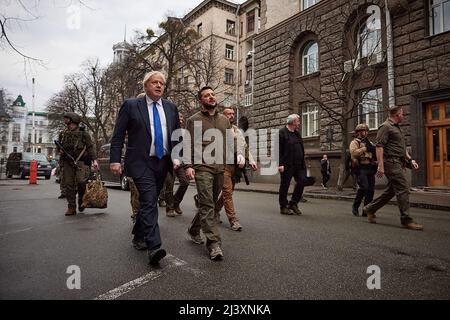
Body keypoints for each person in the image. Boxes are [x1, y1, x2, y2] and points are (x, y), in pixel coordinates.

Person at [110, 71, 181, 266]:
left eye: (162, 83)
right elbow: (117, 135)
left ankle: (138, 235)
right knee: (150, 201)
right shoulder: (132, 105)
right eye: (154, 82)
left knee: (149, 202)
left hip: (162, 162)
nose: (159, 85)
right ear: (145, 86)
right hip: (140, 162)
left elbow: (176, 136)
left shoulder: (171, 108)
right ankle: (154, 247)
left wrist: (177, 157)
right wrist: (115, 160)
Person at [185, 86, 243, 260]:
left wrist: (236, 160)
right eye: (206, 95)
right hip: (202, 167)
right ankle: (214, 244)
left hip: (221, 168)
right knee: (208, 205)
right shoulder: (193, 120)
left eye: (212, 94)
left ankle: (194, 229)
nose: (211, 97)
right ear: (201, 101)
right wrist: (188, 165)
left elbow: (230, 144)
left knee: (207, 204)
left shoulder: (225, 120)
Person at [362, 106, 423, 230]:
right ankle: (406, 220)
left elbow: (401, 148)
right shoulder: (385, 127)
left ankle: (370, 208)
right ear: (396, 114)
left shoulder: (396, 128)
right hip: (391, 163)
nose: (403, 116)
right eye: (402, 114)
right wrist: (381, 166)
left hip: (398, 162)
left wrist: (410, 160)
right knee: (403, 188)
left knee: (392, 190)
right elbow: (379, 147)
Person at [214, 107, 257, 231]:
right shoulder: (218, 129)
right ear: (223, 116)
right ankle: (233, 220)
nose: (231, 116)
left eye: (233, 114)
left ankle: (215, 211)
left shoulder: (236, 130)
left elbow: (244, 147)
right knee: (227, 192)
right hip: (223, 166)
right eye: (229, 114)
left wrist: (252, 160)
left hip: (235, 167)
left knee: (229, 192)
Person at [57, 112, 98, 216]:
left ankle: (81, 199)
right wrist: (60, 151)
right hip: (67, 162)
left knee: (81, 182)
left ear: (73, 120)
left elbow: (90, 147)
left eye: (67, 120)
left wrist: (95, 160)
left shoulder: (84, 134)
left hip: (81, 162)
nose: (66, 122)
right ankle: (71, 207)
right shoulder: (63, 134)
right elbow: (59, 146)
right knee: (69, 185)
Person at [278, 114, 306, 215]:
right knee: (285, 185)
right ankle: (283, 206)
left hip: (299, 164)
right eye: (298, 121)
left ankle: (293, 203)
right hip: (287, 164)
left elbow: (301, 148)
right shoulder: (282, 133)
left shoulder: (297, 134)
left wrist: (303, 161)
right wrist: (280, 164)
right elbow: (278, 150)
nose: (299, 123)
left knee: (302, 181)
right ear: (293, 122)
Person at [163, 114, 190, 218]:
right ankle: (169, 208)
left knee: (185, 182)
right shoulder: (166, 131)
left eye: (182, 118)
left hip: (181, 162)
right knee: (169, 184)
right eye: (178, 118)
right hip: (168, 162)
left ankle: (176, 203)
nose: (181, 120)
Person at [349, 123, 376, 216]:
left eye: (365, 131)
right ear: (358, 132)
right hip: (360, 168)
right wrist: (365, 148)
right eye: (361, 131)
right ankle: (355, 206)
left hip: (370, 168)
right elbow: (354, 153)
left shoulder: (370, 143)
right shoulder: (355, 142)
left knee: (371, 190)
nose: (364, 132)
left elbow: (374, 153)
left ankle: (366, 210)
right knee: (364, 187)